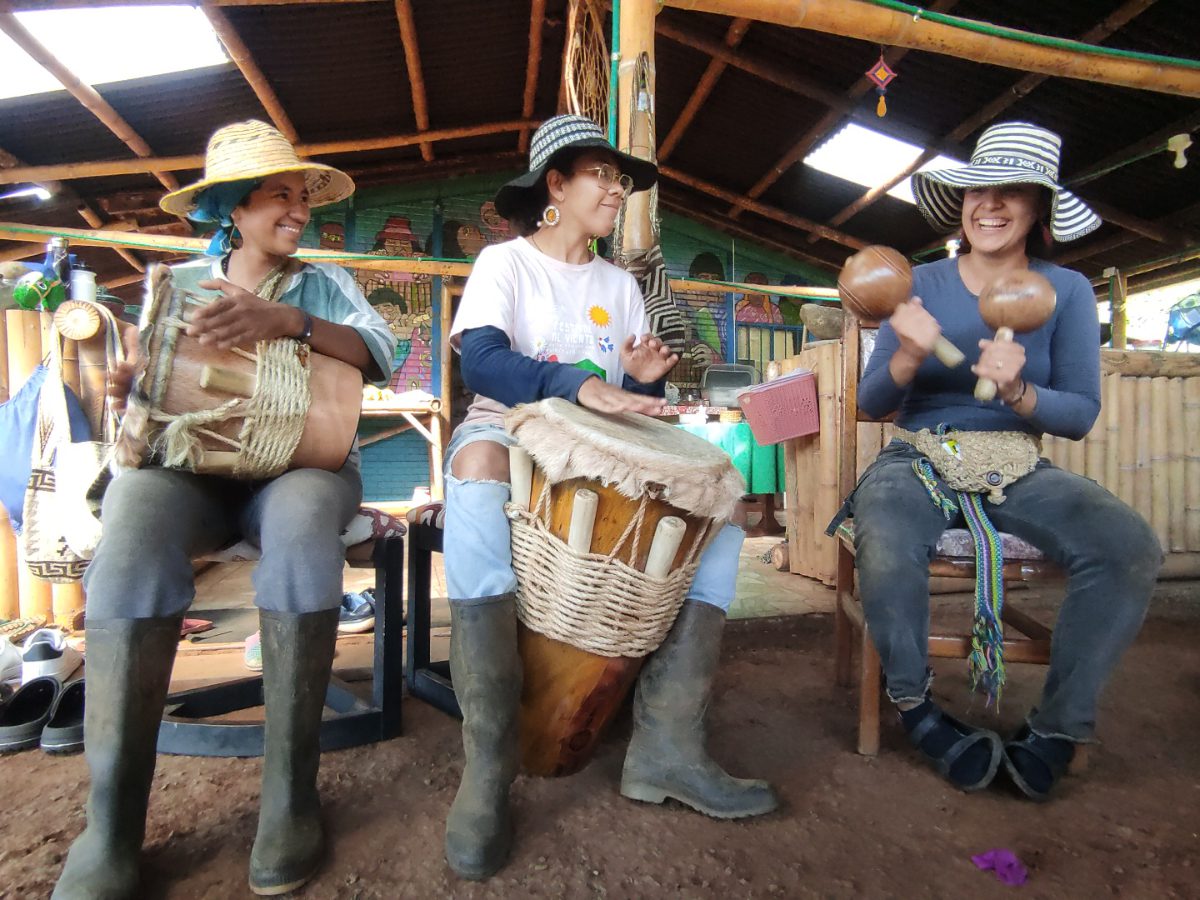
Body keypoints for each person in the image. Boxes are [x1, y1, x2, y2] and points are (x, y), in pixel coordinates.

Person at [53, 120, 396, 899]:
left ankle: (289, 799)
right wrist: (130, 390)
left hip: (301, 466)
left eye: (301, 196)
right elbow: (154, 382)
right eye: (279, 196)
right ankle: (109, 828)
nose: (297, 209)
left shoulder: (323, 284)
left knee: (306, 524)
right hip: (194, 476)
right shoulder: (178, 285)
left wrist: (291, 324)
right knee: (133, 530)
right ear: (233, 211)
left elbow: (383, 353)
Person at [442, 114, 778, 881]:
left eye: (621, 179)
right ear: (554, 186)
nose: (616, 190)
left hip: (593, 453)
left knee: (720, 508)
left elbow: (616, 402)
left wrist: (641, 381)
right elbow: (485, 364)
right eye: (602, 175)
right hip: (513, 426)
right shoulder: (505, 264)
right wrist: (582, 383)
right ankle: (488, 764)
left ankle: (666, 749)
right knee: (481, 466)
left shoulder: (620, 284)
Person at [839, 122, 1161, 799]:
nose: (991, 204)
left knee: (1126, 544)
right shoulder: (914, 281)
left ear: (1039, 209)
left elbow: (1079, 413)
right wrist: (905, 354)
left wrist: (1018, 391)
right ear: (961, 198)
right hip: (921, 454)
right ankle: (918, 710)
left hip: (1017, 462)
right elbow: (870, 404)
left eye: (1014, 193)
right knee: (888, 534)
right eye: (979, 188)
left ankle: (1056, 727)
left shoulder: (1067, 291)